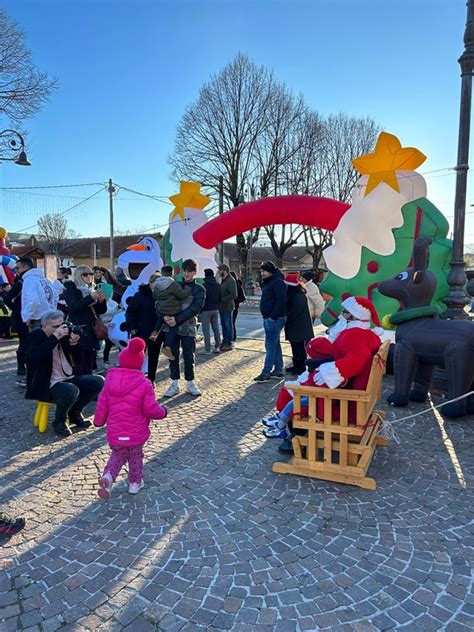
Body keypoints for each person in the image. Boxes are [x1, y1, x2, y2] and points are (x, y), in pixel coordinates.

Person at [262, 296, 383, 444]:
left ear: (354, 315)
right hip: (345, 393)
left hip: (338, 399)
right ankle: (281, 420)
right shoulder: (364, 333)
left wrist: (331, 371)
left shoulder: (354, 334)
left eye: (345, 312)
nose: (341, 315)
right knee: (298, 391)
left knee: (294, 396)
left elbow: (359, 358)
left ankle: (286, 429)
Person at [94, 337, 168, 498]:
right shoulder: (144, 383)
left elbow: (102, 404)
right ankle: (134, 484)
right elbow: (151, 408)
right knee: (135, 456)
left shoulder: (109, 381)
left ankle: (108, 476)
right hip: (136, 432)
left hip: (116, 431)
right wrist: (163, 412)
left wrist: (98, 421)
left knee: (118, 455)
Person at [25, 310, 104, 437]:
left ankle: (74, 413)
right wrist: (55, 337)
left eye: (62, 325)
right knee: (70, 390)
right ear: (44, 326)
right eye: (55, 327)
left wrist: (75, 344)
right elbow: (35, 357)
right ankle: (59, 422)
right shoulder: (36, 336)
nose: (60, 329)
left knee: (98, 381)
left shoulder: (64, 334)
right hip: (46, 384)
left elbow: (78, 360)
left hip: (67, 377)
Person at [161, 258, 205, 398]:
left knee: (188, 356)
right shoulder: (175, 285)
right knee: (172, 356)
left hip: (188, 328)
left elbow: (196, 308)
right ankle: (174, 383)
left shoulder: (200, 289)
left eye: (190, 271)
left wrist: (177, 319)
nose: (187, 274)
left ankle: (190, 382)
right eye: (185, 270)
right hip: (171, 327)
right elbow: (164, 302)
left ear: (195, 272)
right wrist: (165, 316)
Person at [63, 265, 107, 375]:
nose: (89, 276)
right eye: (85, 274)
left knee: (90, 360)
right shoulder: (72, 288)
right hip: (79, 328)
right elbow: (73, 307)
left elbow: (101, 311)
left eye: (91, 274)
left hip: (91, 328)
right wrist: (90, 298)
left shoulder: (93, 289)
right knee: (79, 360)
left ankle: (89, 382)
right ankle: (80, 383)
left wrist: (102, 301)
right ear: (78, 276)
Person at [126, 273, 164, 382]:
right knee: (137, 356)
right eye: (156, 283)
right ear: (151, 283)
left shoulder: (163, 296)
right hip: (141, 331)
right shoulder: (140, 295)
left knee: (154, 356)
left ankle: (151, 380)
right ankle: (134, 378)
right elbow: (130, 311)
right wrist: (132, 326)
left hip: (156, 331)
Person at [254, 261, 287, 382]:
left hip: (274, 318)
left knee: (270, 345)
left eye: (264, 271)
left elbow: (281, 301)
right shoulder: (270, 282)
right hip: (270, 317)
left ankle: (266, 372)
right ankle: (278, 370)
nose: (261, 273)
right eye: (261, 271)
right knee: (274, 344)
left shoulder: (277, 283)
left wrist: (272, 317)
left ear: (270, 272)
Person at [149, 265, 191, 360]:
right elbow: (182, 295)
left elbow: (154, 296)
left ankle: (154, 333)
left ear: (162, 273)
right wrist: (187, 289)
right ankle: (167, 347)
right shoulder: (173, 284)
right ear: (171, 273)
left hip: (161, 309)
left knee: (160, 319)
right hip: (173, 310)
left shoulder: (157, 284)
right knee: (173, 325)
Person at [283, 273, 314, 375]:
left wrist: (286, 316)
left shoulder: (298, 296)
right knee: (295, 347)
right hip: (296, 327)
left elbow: (295, 311)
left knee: (299, 348)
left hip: (299, 327)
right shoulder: (295, 294)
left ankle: (300, 367)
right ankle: (296, 365)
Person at [18, 257, 58, 329]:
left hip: (37, 319)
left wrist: (28, 317)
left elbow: (33, 300)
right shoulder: (45, 279)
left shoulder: (29, 280)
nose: (16, 271)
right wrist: (52, 310)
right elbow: (55, 296)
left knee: (37, 339)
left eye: (18, 268)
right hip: (49, 316)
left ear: (25, 267)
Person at [4, 271, 29, 383]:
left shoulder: (31, 283)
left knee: (29, 342)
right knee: (23, 342)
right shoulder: (20, 284)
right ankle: (21, 366)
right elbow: (7, 299)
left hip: (29, 316)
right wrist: (18, 309)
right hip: (20, 318)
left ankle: (27, 365)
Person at [200, 268, 222, 354]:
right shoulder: (218, 285)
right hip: (215, 309)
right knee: (216, 328)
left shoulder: (203, 286)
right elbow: (220, 298)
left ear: (205, 275)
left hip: (206, 310)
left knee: (206, 330)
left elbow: (202, 299)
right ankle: (217, 346)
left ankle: (207, 348)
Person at [218, 264, 237, 351]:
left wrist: (224, 299)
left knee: (228, 325)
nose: (219, 272)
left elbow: (234, 294)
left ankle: (229, 343)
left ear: (225, 271)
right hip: (222, 306)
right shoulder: (224, 280)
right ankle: (225, 341)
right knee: (223, 325)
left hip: (227, 306)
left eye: (221, 270)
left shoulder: (230, 280)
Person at [230, 271, 246, 344]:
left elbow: (243, 297)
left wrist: (235, 300)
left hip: (234, 306)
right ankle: (230, 338)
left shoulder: (237, 285)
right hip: (228, 306)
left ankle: (233, 338)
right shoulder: (228, 283)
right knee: (230, 323)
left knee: (231, 323)